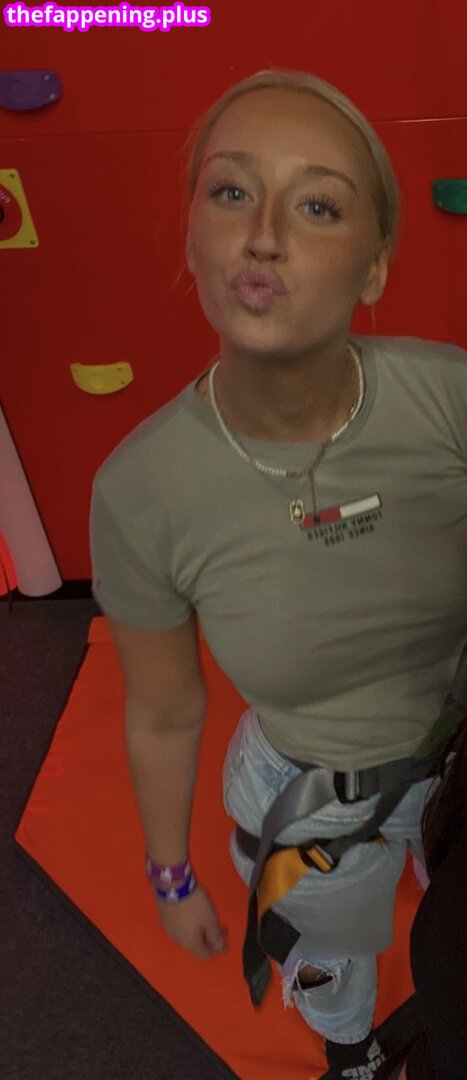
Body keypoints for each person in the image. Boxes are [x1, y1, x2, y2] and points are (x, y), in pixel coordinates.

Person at [89, 69, 467, 1080]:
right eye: (231, 192)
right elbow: (163, 712)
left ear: (373, 267)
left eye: (316, 205)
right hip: (312, 801)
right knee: (333, 961)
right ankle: (348, 1057)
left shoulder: (449, 402)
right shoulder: (141, 490)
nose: (262, 235)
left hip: (459, 761)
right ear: (193, 241)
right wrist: (170, 877)